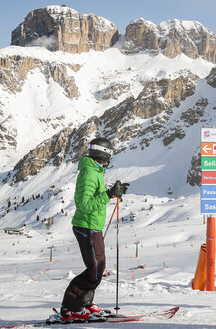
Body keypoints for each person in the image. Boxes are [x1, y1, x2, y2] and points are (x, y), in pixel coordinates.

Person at [57, 137, 129, 323]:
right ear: (102, 153)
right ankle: (70, 308)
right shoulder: (89, 172)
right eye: (109, 154)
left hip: (93, 227)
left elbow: (96, 198)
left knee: (98, 267)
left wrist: (113, 192)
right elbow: (85, 205)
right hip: (86, 227)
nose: (109, 159)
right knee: (95, 269)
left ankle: (84, 304)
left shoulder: (96, 171)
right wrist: (108, 194)